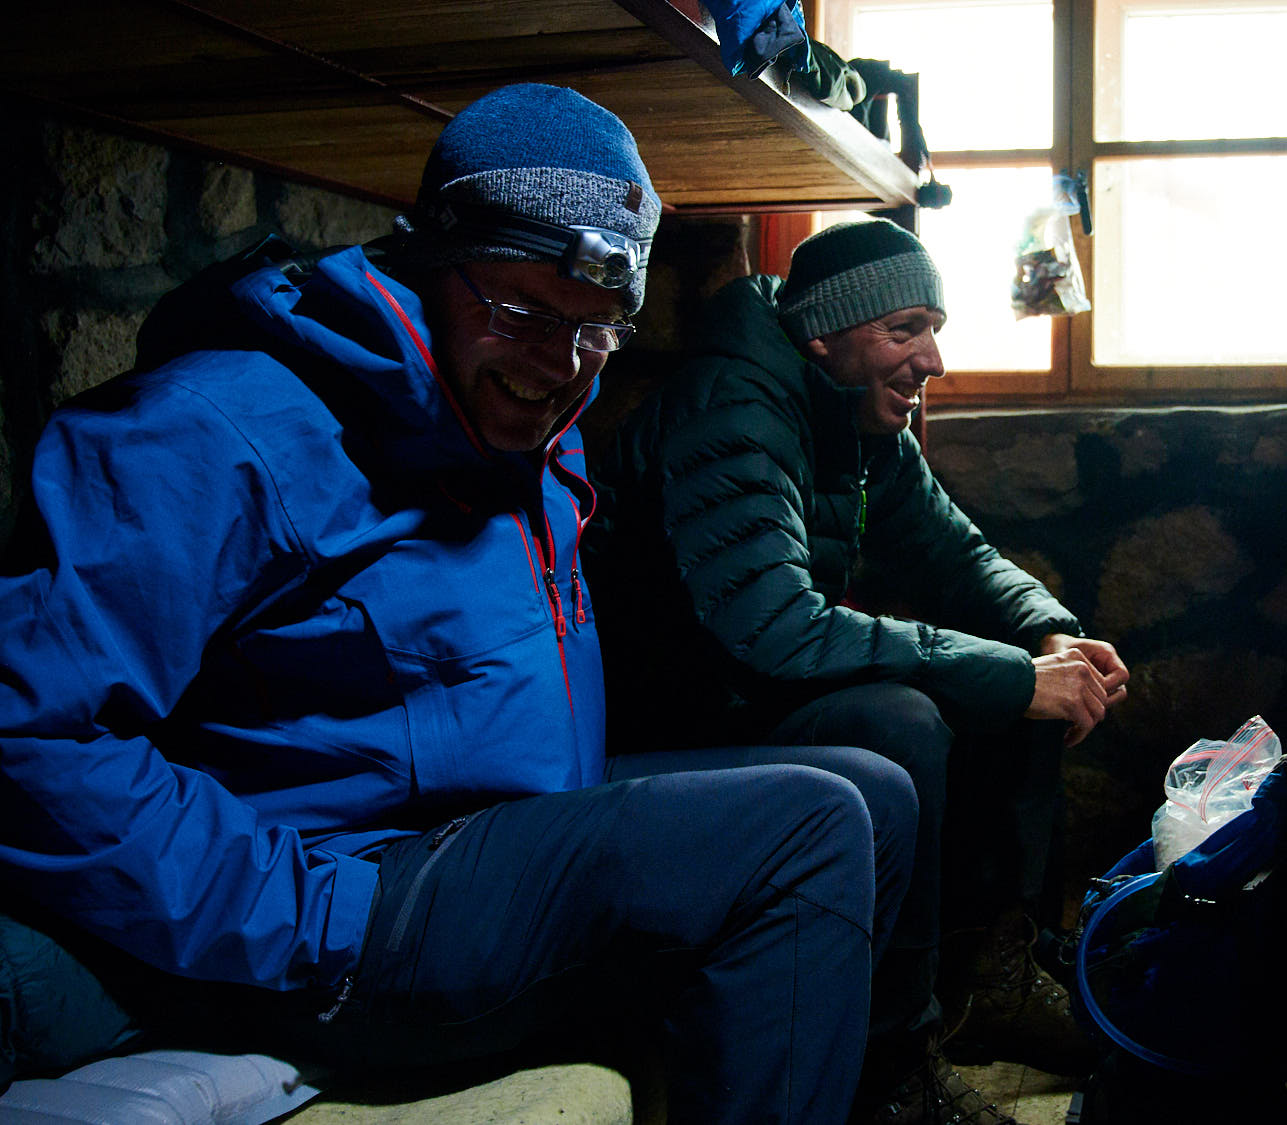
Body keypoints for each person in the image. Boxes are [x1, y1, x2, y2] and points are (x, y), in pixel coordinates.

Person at [0, 84, 915, 1125]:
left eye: (600, 328)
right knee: (803, 827)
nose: (561, 366)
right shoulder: (214, 432)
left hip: (486, 829)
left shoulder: (512, 400)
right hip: (351, 902)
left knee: (870, 784)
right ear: (433, 259)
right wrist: (298, 918)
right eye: (522, 311)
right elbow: (30, 729)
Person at [590, 219, 1126, 1123]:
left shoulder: (854, 414)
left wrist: (1049, 633)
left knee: (1025, 675)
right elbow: (777, 627)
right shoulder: (735, 409)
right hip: (666, 715)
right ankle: (892, 1061)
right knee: (903, 721)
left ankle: (985, 970)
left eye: (935, 327)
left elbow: (958, 554)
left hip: (741, 688)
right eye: (906, 329)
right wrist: (1006, 670)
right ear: (825, 333)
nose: (934, 361)